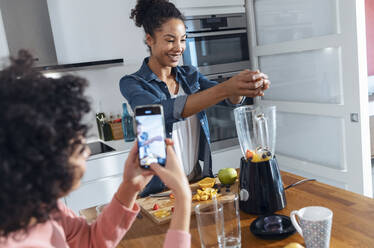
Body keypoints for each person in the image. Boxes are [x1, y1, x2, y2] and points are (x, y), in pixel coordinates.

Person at [0, 50, 191, 248]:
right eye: (78, 144)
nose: (88, 151)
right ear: (42, 155)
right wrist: (183, 197)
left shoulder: (44, 206)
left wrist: (130, 186)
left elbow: (89, 242)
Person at [119, 0, 270, 196]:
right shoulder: (132, 83)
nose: (179, 47)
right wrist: (226, 87)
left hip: (196, 179)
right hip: (159, 187)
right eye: (170, 39)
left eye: (183, 39)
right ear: (150, 40)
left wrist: (244, 85)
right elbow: (160, 112)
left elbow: (228, 100)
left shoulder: (190, 75)